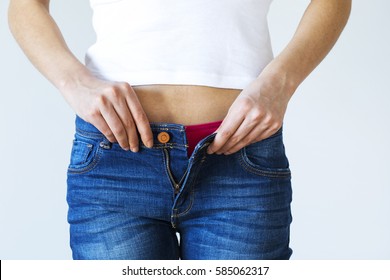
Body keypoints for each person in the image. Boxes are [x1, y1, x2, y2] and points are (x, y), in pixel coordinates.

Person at [8, 0, 351, 260]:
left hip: (239, 160)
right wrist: (74, 82)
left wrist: (281, 82)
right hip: (115, 161)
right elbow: (25, 5)